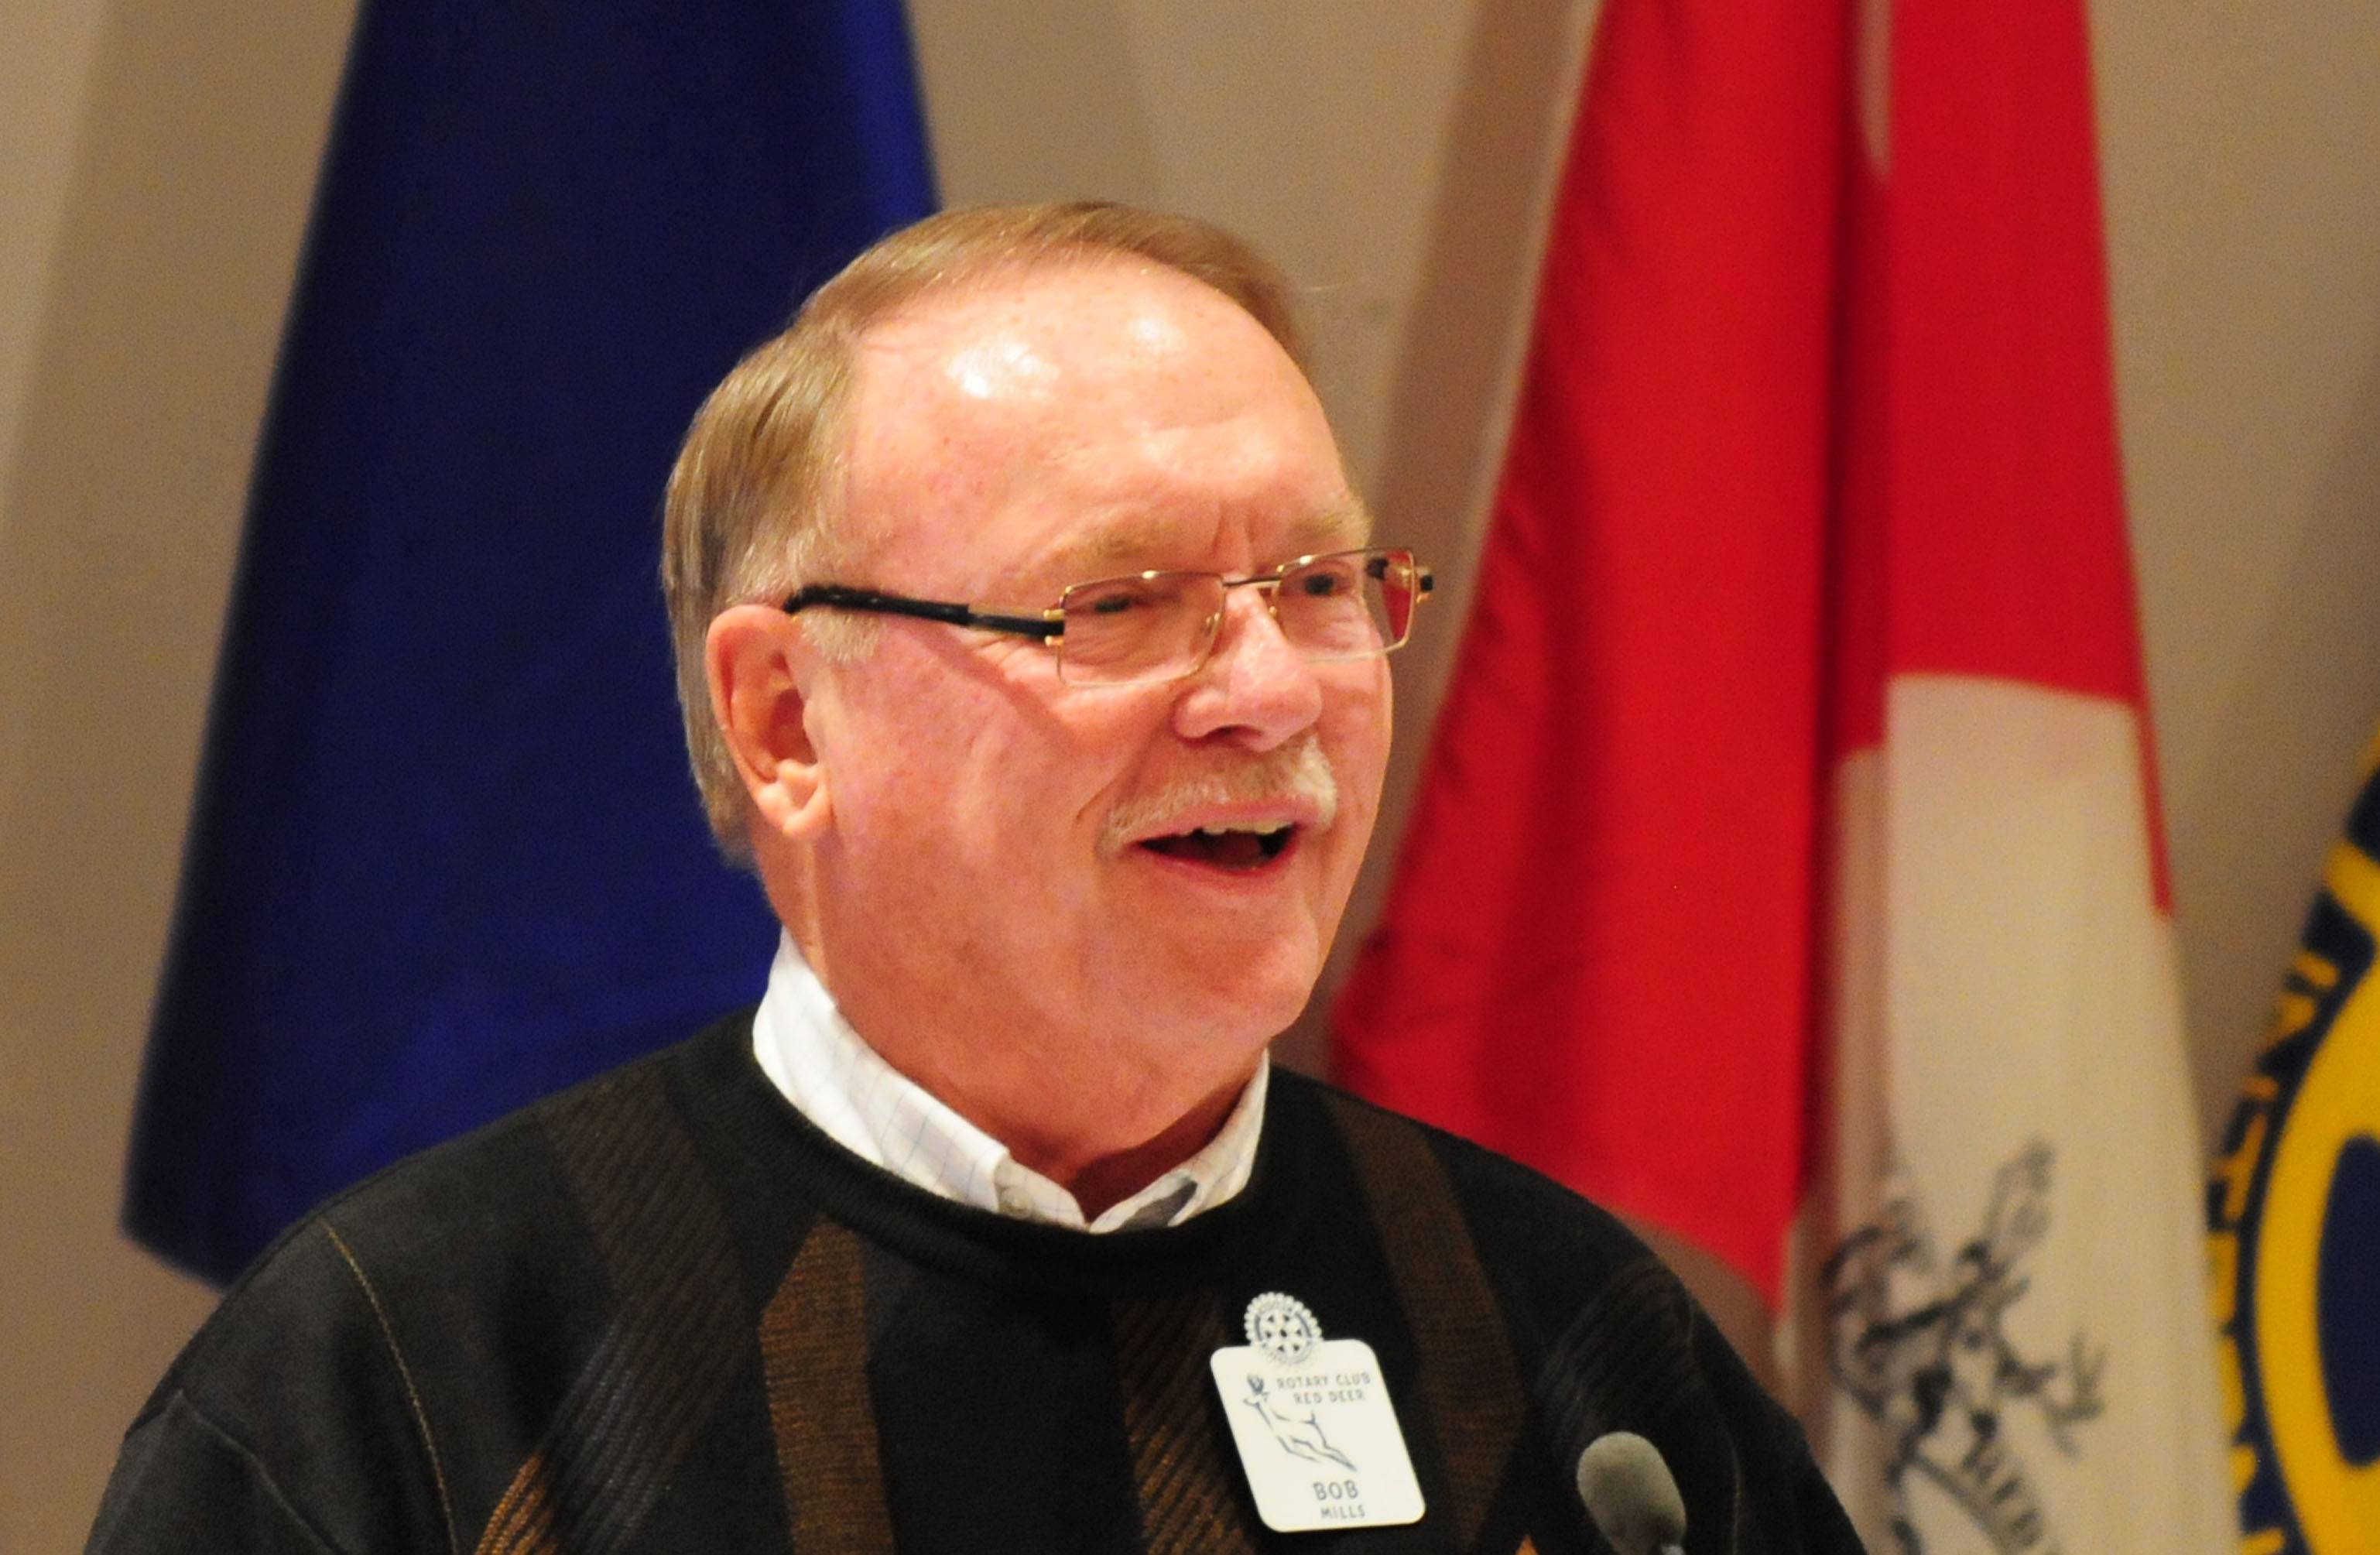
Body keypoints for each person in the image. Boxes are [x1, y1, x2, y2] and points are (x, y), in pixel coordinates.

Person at [88, 203, 1861, 1553]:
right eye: (1113, 603)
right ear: (787, 717)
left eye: (1319, 585)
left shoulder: (1567, 1350)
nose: (1264, 693)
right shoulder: (411, 1374)